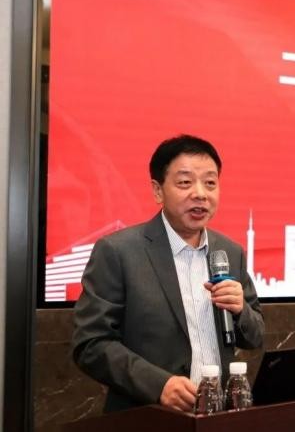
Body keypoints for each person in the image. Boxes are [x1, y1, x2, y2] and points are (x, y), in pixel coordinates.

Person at [72, 134, 264, 413]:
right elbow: (90, 344)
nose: (200, 194)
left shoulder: (229, 252)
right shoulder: (118, 251)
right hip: (148, 417)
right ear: (158, 191)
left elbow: (255, 336)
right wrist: (158, 385)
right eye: (185, 182)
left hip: (217, 416)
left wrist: (240, 311)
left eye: (210, 183)